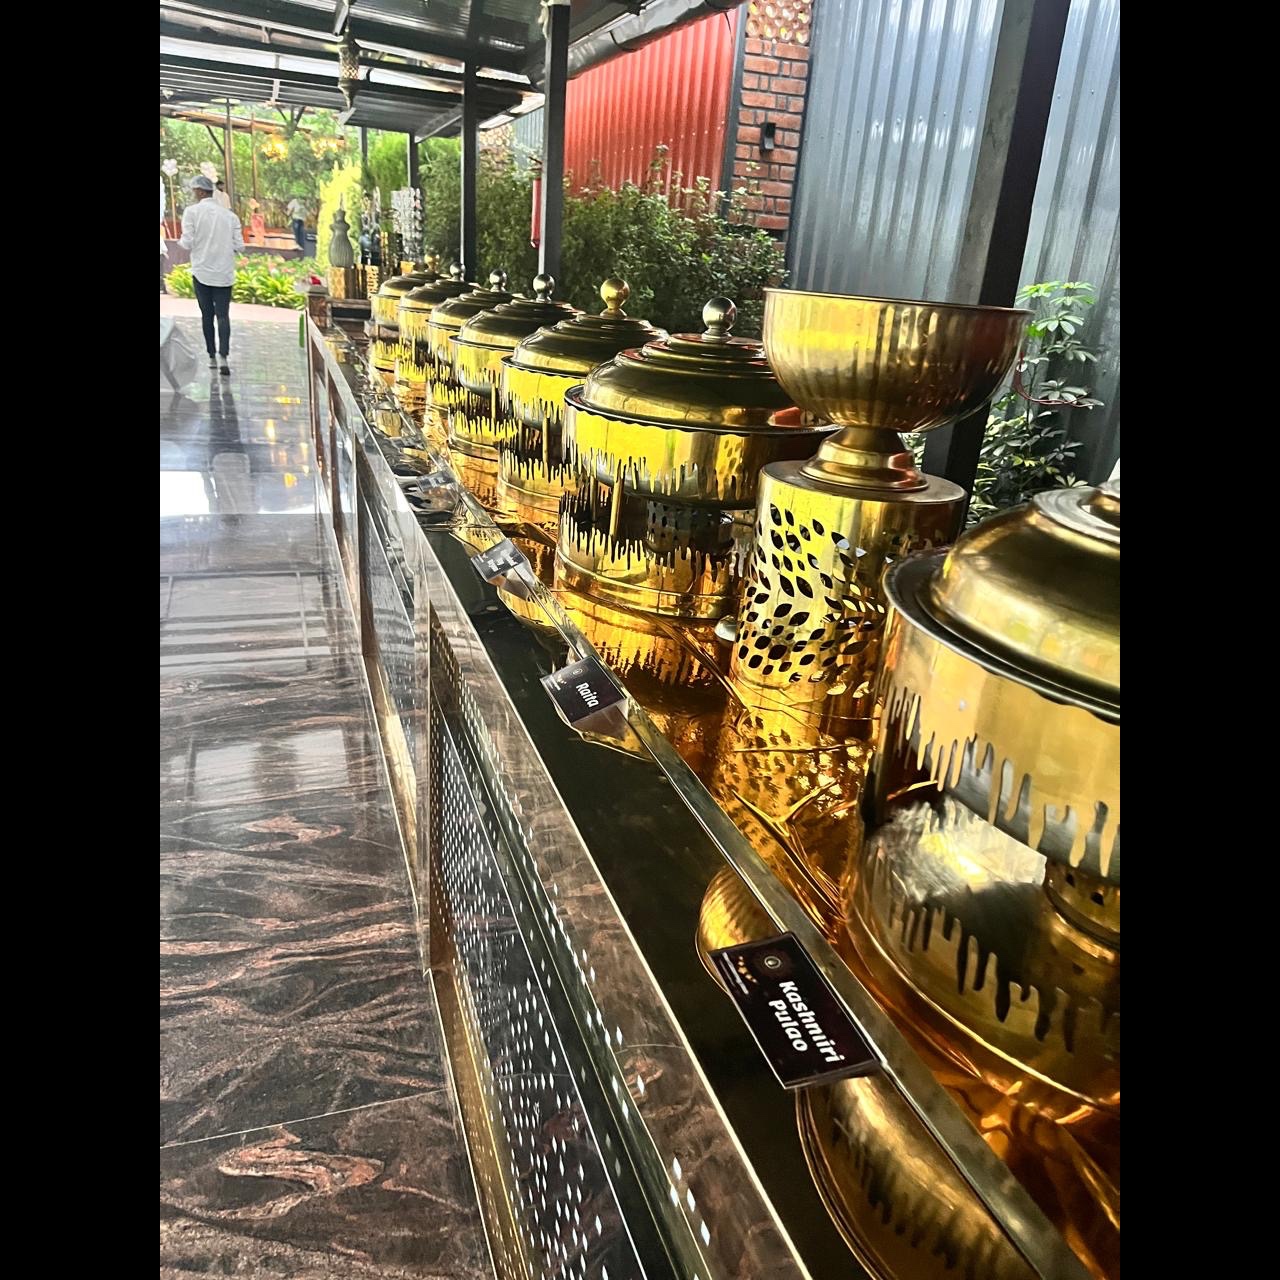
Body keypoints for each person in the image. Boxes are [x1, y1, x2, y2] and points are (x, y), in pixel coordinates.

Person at [180, 174, 244, 376]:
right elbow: (240, 246)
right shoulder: (230, 216)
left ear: (200, 192)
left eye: (194, 191)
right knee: (223, 315)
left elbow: (186, 242)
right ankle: (224, 357)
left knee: (206, 316)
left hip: (201, 271)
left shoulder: (191, 213)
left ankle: (212, 357)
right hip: (224, 273)